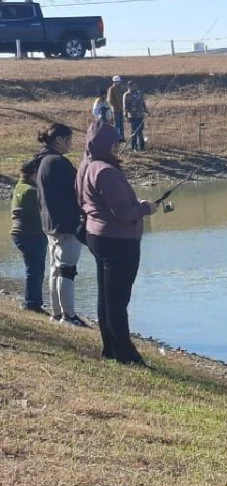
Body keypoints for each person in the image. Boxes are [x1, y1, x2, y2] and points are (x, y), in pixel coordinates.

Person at [76, 120, 161, 365]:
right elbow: (123, 212)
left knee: (106, 296)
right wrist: (146, 208)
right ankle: (126, 354)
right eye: (114, 143)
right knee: (118, 299)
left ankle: (111, 348)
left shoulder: (85, 166)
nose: (116, 148)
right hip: (118, 241)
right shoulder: (106, 172)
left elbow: (83, 201)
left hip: (97, 237)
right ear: (104, 144)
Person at [31, 123, 86, 327]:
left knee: (56, 268)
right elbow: (78, 189)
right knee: (67, 270)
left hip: (50, 224)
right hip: (65, 225)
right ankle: (68, 316)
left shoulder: (43, 161)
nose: (71, 143)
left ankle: (57, 313)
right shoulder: (57, 163)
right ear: (59, 140)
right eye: (69, 139)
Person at [10, 159, 48, 314]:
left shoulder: (19, 187)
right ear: (34, 173)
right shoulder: (31, 191)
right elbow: (41, 215)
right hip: (31, 234)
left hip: (18, 233)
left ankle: (32, 301)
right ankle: (32, 303)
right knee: (35, 269)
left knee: (32, 268)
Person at [123, 81, 148, 152]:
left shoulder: (139, 93)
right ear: (129, 87)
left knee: (140, 131)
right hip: (133, 116)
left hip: (140, 115)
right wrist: (126, 116)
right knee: (134, 131)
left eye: (135, 86)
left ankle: (142, 147)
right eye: (133, 86)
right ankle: (134, 147)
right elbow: (125, 107)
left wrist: (146, 111)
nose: (135, 87)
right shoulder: (127, 95)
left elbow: (142, 103)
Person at [106, 75, 127, 141]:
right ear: (114, 82)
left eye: (119, 81)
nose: (119, 83)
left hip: (121, 109)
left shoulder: (122, 88)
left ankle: (122, 137)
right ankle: (117, 138)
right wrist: (115, 107)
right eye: (118, 81)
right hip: (115, 110)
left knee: (121, 124)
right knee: (116, 124)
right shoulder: (111, 89)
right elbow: (110, 100)